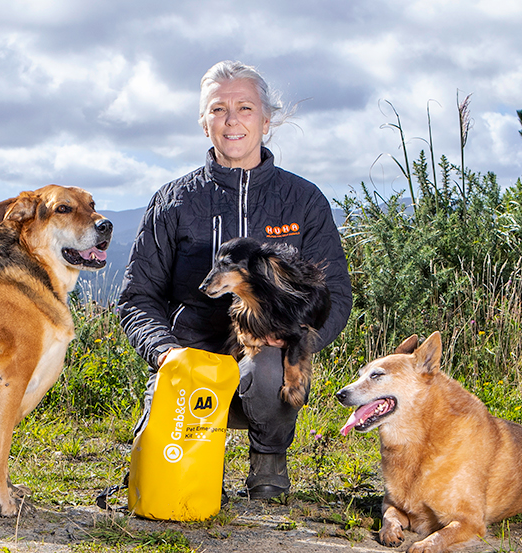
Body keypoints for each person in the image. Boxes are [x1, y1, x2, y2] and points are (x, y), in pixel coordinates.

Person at [118, 60, 352, 500]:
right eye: (217, 109)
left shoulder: (304, 200)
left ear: (266, 120)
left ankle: (268, 463)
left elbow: (336, 293)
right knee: (161, 490)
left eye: (244, 108)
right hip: (189, 361)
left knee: (267, 369)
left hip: (260, 363)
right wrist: (165, 352)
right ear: (203, 123)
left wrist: (300, 341)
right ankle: (188, 462)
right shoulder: (172, 201)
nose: (231, 120)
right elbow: (137, 297)